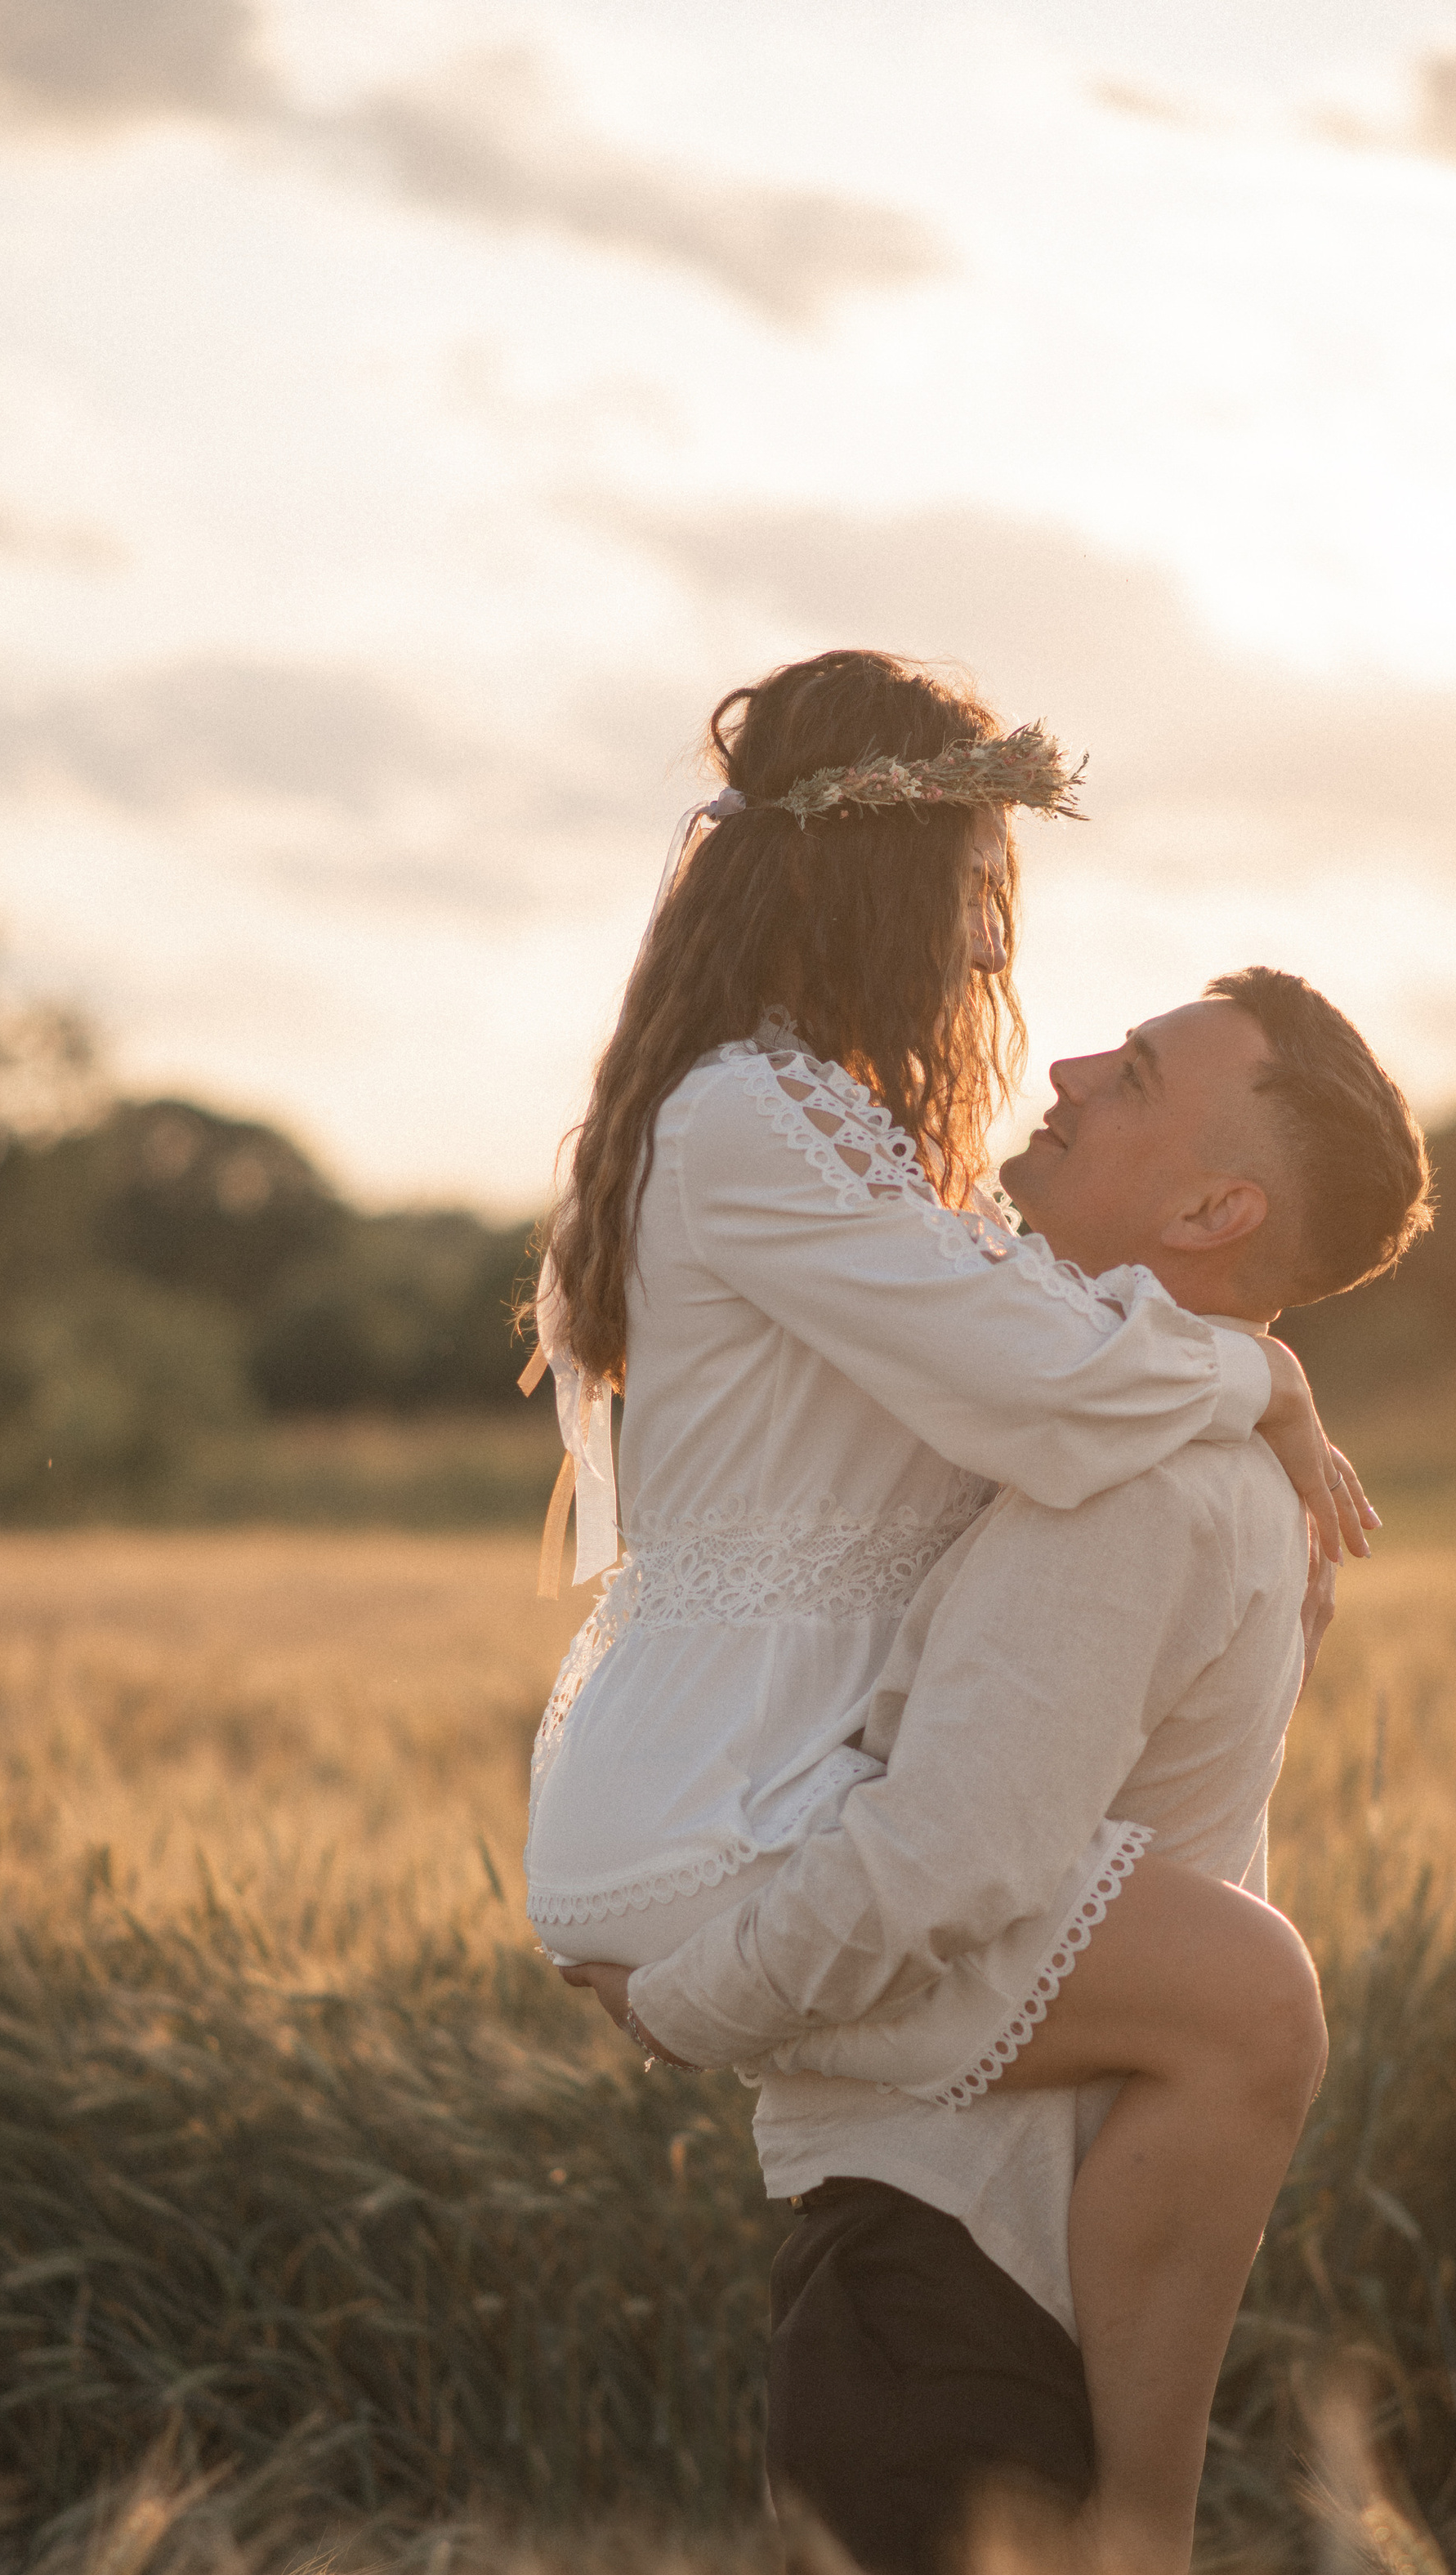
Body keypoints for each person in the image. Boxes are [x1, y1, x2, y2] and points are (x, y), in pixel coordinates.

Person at [563, 968, 1433, 2575]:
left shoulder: (1112, 1477)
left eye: (1141, 1070)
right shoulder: (1173, 1431)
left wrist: (677, 2003)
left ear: (1212, 1205)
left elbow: (943, 1862)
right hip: (1002, 2278)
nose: (1074, 1061)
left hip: (954, 2289)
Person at [525, 650, 1367, 2150]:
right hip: (726, 1820)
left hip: (744, 1781)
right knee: (1242, 2000)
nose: (993, 957)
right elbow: (1045, 1390)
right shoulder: (753, 1119)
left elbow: (1039, 1349)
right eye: (981, 893)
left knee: (1172, 1979)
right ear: (889, 886)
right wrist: (1261, 1372)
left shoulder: (822, 1127)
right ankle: (1133, 2395)